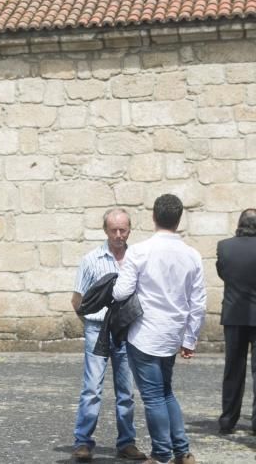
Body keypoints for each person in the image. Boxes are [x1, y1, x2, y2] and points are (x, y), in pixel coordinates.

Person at [113, 194, 205, 464]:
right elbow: (198, 302)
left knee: (153, 396)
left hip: (144, 334)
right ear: (178, 220)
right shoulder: (192, 255)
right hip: (173, 333)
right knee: (166, 391)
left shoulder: (139, 251)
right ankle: (183, 452)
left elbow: (121, 293)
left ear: (154, 217)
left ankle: (162, 454)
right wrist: (190, 339)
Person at [70, 208, 147, 462]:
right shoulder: (91, 259)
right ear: (105, 230)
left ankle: (126, 442)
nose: (118, 235)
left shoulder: (137, 258)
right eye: (113, 230)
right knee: (92, 388)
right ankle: (83, 442)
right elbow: (77, 300)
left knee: (126, 390)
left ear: (129, 229)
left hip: (125, 332)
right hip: (96, 329)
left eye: (123, 230)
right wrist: (92, 323)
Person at [215, 208, 256, 435]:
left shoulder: (224, 246)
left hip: (234, 315)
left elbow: (224, 273)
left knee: (233, 369)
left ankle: (228, 419)